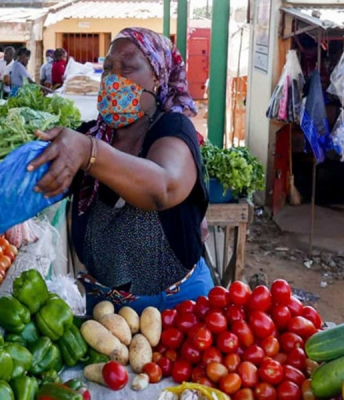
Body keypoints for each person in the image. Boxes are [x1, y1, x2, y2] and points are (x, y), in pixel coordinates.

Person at [27, 27, 212, 314]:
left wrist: (90, 153)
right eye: (109, 68)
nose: (114, 78)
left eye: (128, 67)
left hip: (179, 310)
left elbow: (163, 187)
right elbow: (43, 177)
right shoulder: (92, 133)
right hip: (106, 312)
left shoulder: (172, 129)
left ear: (157, 76)